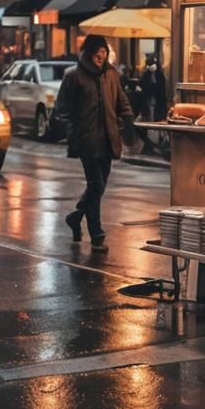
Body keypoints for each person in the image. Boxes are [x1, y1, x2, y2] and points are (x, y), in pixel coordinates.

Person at [56, 34, 135, 252]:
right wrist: (74, 134)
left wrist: (124, 123)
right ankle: (97, 234)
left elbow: (122, 102)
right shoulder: (74, 76)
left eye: (104, 54)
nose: (101, 58)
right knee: (96, 185)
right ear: (89, 54)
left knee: (97, 188)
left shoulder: (111, 74)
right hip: (87, 141)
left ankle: (76, 217)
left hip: (109, 140)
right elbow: (61, 111)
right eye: (98, 55)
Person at [139, 55, 167, 122]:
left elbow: (161, 89)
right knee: (149, 114)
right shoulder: (146, 74)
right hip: (148, 97)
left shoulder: (159, 74)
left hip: (158, 98)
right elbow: (143, 84)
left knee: (156, 115)